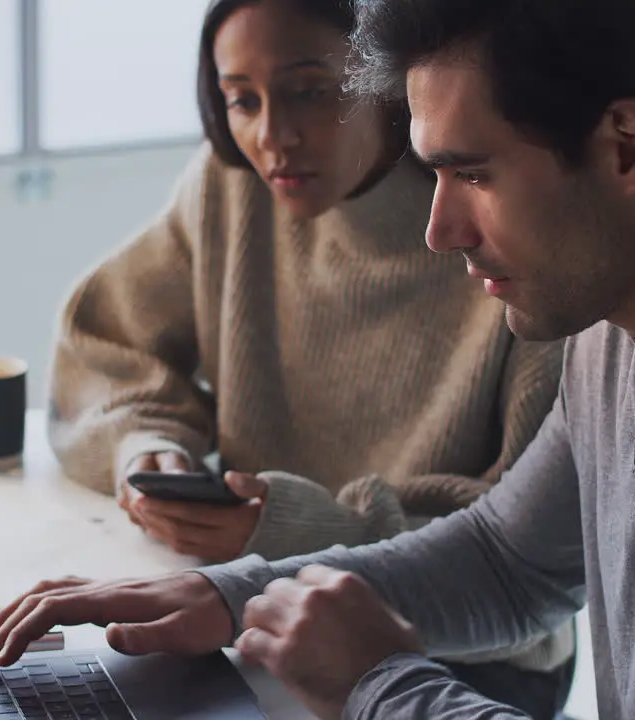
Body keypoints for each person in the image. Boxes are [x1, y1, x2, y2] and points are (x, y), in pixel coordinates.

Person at [0, 0, 635, 717]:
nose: (440, 229)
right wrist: (224, 596)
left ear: (627, 149)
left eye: (471, 173)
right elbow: (507, 561)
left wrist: (377, 681)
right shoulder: (624, 319)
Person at [42, 0, 572, 714]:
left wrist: (293, 531)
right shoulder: (234, 185)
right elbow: (103, 348)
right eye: (241, 100)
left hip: (454, 663)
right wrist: (151, 447)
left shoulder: (507, 237)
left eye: (309, 90)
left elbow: (519, 554)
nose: (272, 136)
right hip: (247, 611)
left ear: (388, 81)